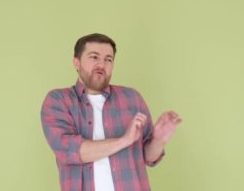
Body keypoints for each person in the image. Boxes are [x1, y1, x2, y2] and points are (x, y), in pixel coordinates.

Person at [40, 33, 182, 191]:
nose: (102, 65)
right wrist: (124, 140)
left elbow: (148, 157)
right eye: (94, 57)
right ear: (77, 63)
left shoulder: (132, 98)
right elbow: (69, 151)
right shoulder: (58, 100)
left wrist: (158, 140)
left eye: (108, 59)